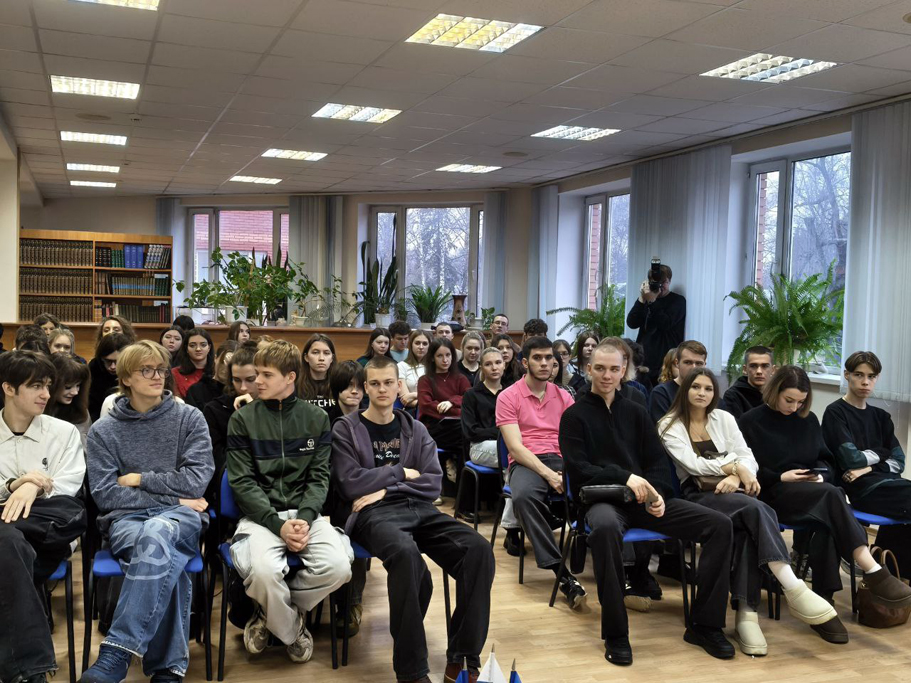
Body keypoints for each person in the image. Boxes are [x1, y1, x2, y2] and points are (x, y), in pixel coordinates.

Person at [559, 340, 734, 665]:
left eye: (614, 369)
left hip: (643, 500)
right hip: (602, 502)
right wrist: (626, 477)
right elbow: (580, 471)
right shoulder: (573, 416)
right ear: (588, 369)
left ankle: (705, 626)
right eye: (600, 368)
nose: (607, 375)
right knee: (605, 529)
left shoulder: (636, 411)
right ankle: (616, 634)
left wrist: (658, 495)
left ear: (623, 370)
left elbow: (657, 463)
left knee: (719, 525)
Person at [331, 355, 495, 683]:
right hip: (371, 514)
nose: (382, 389)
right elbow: (350, 483)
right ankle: (411, 672)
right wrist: (401, 472)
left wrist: (383, 487)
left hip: (419, 508)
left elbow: (432, 482)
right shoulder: (345, 428)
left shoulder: (415, 429)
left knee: (478, 550)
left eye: (388, 383)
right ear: (365, 388)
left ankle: (462, 658)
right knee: (406, 556)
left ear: (398, 386)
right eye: (374, 383)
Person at [660, 368, 845, 653]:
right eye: (695, 387)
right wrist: (735, 467)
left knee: (748, 526)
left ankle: (747, 616)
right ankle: (792, 587)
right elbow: (693, 464)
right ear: (685, 390)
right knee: (757, 509)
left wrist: (737, 475)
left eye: (708, 388)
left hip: (736, 491)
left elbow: (749, 457)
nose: (702, 393)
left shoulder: (724, 418)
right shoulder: (668, 424)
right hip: (698, 494)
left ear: (715, 393)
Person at [82, 340, 214, 683]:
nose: (158, 376)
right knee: (163, 552)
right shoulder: (103, 431)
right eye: (146, 370)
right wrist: (174, 500)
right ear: (126, 378)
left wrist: (140, 479)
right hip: (126, 521)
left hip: (181, 519)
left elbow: (196, 481)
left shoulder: (189, 418)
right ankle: (167, 669)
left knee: (158, 532)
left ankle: (117, 652)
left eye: (160, 369)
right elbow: (107, 495)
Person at [740, 366, 911, 614]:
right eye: (789, 400)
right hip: (772, 494)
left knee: (828, 519)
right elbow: (746, 470)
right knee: (833, 496)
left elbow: (827, 461)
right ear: (774, 391)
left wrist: (821, 476)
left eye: (800, 401)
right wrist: (780, 476)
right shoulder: (750, 421)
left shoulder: (808, 420)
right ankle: (872, 570)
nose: (794, 407)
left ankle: (825, 600)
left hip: (812, 494)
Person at [226, 340, 352, 663]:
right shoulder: (242, 420)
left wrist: (305, 518)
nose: (257, 381)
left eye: (266, 375)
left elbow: (319, 478)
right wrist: (277, 525)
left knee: (339, 568)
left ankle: (271, 612)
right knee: (264, 573)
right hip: (261, 517)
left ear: (291, 377)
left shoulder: (316, 419)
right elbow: (242, 482)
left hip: (306, 516)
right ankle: (292, 630)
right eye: (257, 374)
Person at [0, 351, 87, 683]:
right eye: (36, 386)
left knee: (10, 540)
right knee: (10, 544)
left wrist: (33, 489)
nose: (46, 395)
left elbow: (69, 486)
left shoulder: (63, 432)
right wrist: (15, 484)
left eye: (48, 385)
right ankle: (30, 671)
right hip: (14, 543)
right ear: (9, 388)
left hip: (47, 533)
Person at [495, 336, 584, 605]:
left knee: (591, 491)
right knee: (523, 497)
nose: (545, 363)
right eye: (538, 358)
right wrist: (548, 474)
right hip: (527, 461)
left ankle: (586, 547)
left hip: (562, 459)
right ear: (525, 363)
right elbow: (515, 447)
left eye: (549, 358)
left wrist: (567, 471)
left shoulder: (564, 396)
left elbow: (576, 440)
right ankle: (562, 574)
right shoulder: (508, 396)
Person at [822, 351, 911, 575]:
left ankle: (888, 572)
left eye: (871, 376)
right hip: (862, 490)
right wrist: (882, 453)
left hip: (890, 485)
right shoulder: (835, 413)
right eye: (859, 375)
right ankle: (884, 575)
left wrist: (869, 467)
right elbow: (851, 459)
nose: (865, 382)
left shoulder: (881, 417)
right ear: (847, 375)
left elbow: (899, 462)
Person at [202, 342, 258, 500]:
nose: (243, 387)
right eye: (237, 380)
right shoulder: (214, 410)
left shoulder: (274, 407)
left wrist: (255, 411)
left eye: (250, 379)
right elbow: (219, 461)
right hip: (233, 485)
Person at [417, 338, 471, 484]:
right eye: (440, 356)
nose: (445, 359)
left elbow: (469, 399)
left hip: (458, 427)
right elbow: (426, 405)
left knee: (465, 437)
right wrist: (455, 409)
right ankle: (459, 485)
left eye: (448, 355)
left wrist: (451, 402)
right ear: (432, 358)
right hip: (435, 427)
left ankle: (460, 485)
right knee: (465, 436)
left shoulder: (461, 378)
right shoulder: (425, 380)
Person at [626, 263, 686, 386]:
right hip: (644, 360)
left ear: (669, 281)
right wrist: (642, 299)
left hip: (664, 361)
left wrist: (652, 301)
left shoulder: (678, 301)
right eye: (656, 282)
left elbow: (666, 323)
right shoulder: (647, 300)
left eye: (664, 282)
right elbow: (632, 323)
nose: (660, 286)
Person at [649, 340, 706, 423]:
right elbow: (663, 428)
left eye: (699, 363)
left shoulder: (710, 394)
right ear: (677, 363)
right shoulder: (662, 393)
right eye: (688, 362)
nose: (693, 368)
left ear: (705, 365)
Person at [46, 353, 92, 448]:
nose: (75, 392)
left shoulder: (81, 411)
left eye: (78, 385)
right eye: (68, 387)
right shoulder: (38, 411)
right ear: (52, 384)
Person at [88, 332, 131, 423]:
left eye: (117, 361)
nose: (112, 367)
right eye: (108, 361)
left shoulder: (133, 371)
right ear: (101, 358)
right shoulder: (93, 368)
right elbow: (91, 406)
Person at [723, 346, 776, 420]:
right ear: (745, 369)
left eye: (765, 366)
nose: (759, 371)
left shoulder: (778, 395)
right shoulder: (733, 396)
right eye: (753, 366)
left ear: (773, 370)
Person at [186, 341, 235, 410]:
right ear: (215, 358)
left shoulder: (237, 392)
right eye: (222, 362)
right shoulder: (196, 390)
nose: (225, 367)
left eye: (230, 365)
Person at [171, 327, 213, 399]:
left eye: (203, 345)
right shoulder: (175, 373)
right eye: (192, 345)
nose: (198, 349)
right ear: (186, 348)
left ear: (209, 347)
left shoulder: (217, 371)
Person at [300, 334, 337, 413]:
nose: (321, 358)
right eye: (315, 352)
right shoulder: (295, 385)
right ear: (306, 357)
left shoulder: (339, 384)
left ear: (332, 358)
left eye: (326, 353)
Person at [397, 330, 431, 411]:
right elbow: (405, 399)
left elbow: (439, 395)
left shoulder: (435, 366)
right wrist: (428, 402)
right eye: (417, 343)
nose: (421, 347)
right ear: (411, 344)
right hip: (413, 411)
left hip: (434, 411)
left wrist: (413, 395)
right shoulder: (401, 366)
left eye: (425, 344)